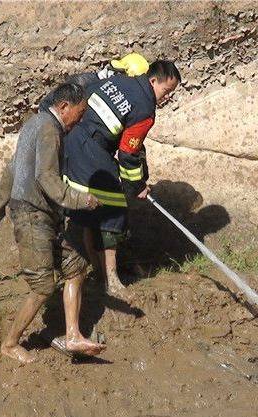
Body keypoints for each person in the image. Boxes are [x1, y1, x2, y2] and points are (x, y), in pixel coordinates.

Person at [0, 83, 106, 364]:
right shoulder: (50, 130)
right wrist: (82, 200)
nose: (79, 121)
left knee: (75, 268)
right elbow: (46, 178)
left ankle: (73, 334)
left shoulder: (34, 125)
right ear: (64, 107)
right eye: (80, 113)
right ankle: (10, 343)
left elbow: (12, 169)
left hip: (41, 214)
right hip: (33, 215)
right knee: (42, 286)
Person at [63, 60, 181, 294]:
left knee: (92, 211)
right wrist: (135, 186)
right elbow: (128, 152)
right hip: (90, 150)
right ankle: (112, 279)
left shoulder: (119, 80)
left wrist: (138, 178)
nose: (167, 97)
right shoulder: (145, 109)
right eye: (166, 91)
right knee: (114, 211)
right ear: (153, 81)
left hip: (71, 138)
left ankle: (99, 273)